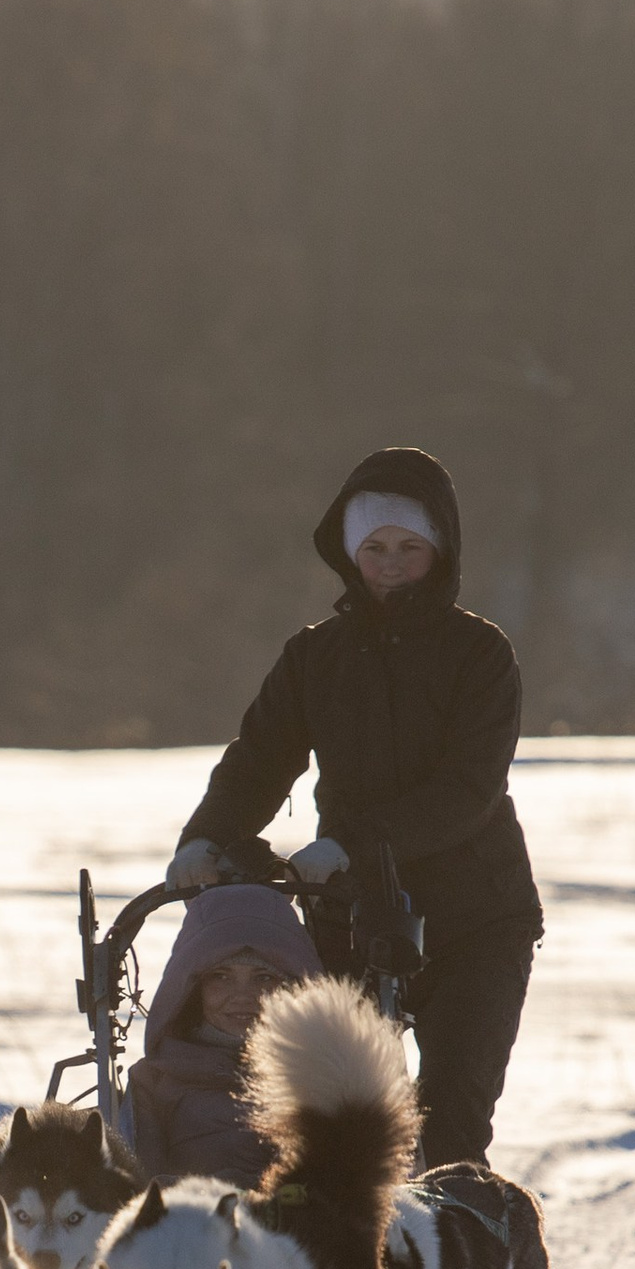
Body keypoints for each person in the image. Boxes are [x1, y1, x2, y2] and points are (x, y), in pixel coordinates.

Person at [167, 446, 541, 1167]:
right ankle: (353, 1264)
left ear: (440, 550)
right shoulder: (316, 658)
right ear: (348, 553)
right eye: (374, 547)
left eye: (409, 546)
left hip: (477, 918)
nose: (391, 562)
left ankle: (453, 1257)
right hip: (353, 916)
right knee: (345, 1118)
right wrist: (208, 838)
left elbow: (469, 788)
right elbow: (261, 759)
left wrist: (352, 845)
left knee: (451, 1119)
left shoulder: (479, 653)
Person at [125, 883, 319, 1181]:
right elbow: (141, 1188)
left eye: (263, 977)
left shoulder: (325, 1076)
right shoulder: (154, 1082)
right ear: (193, 988)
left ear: (292, 987)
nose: (242, 996)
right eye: (221, 977)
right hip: (185, 1222)